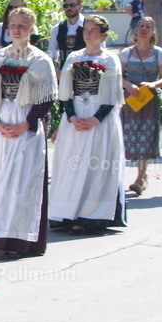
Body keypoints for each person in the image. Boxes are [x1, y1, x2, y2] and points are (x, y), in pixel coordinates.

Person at [0, 7, 58, 256]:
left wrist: (27, 123)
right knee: (0, 181)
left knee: (24, 183)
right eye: (13, 24)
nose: (17, 29)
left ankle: (23, 241)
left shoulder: (39, 60)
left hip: (26, 126)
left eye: (23, 25)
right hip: (2, 125)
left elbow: (47, 98)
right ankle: (0, 237)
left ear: (31, 28)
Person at [49, 15, 126, 235]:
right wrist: (71, 117)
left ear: (103, 34)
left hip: (99, 117)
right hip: (76, 114)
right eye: (87, 30)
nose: (88, 34)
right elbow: (64, 91)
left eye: (94, 30)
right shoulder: (73, 57)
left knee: (96, 165)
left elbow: (112, 94)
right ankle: (67, 212)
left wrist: (95, 118)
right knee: (71, 165)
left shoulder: (110, 59)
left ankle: (92, 215)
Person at [120, 16, 162, 196]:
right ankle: (126, 176)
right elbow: (117, 76)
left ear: (153, 32)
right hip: (130, 100)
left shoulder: (159, 53)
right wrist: (129, 85)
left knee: (146, 136)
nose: (144, 29)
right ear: (136, 30)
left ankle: (140, 177)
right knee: (128, 135)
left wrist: (153, 85)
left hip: (149, 100)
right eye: (141, 26)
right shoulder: (126, 53)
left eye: (148, 27)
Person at [47, 0, 86, 71]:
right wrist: (56, 71)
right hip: (63, 74)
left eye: (72, 5)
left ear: (81, 6)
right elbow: (51, 54)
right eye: (66, 6)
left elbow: (100, 52)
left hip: (86, 75)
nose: (69, 8)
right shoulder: (57, 28)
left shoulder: (89, 26)